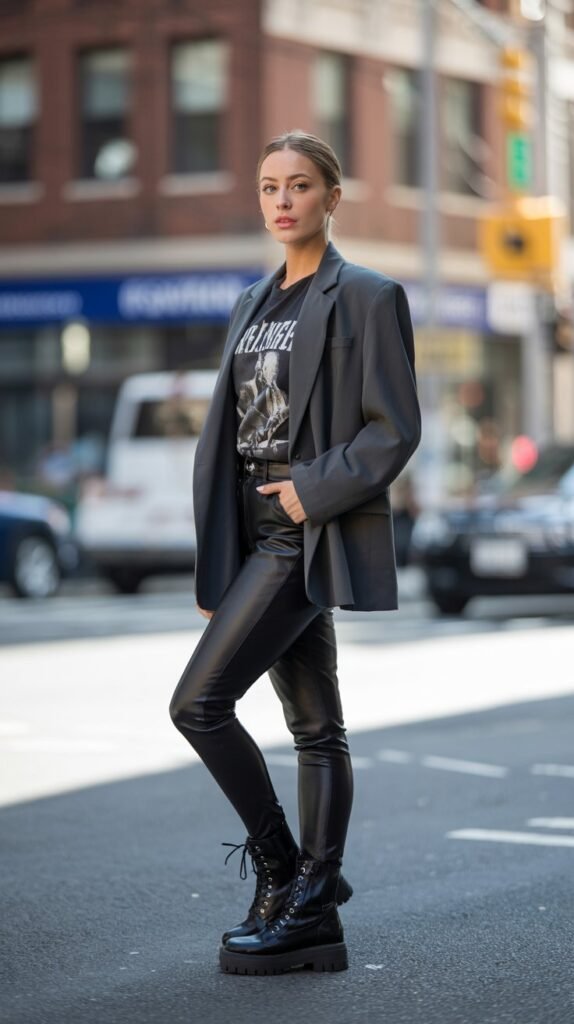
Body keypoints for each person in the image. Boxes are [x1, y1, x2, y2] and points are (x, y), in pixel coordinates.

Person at [169, 130, 421, 976]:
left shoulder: (368, 297)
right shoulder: (251, 302)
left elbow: (394, 430)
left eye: (300, 185)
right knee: (317, 725)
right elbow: (231, 434)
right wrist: (224, 550)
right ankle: (314, 907)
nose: (283, 201)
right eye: (269, 185)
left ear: (331, 197)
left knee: (197, 705)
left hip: (302, 520)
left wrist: (309, 491)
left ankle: (289, 872)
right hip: (253, 526)